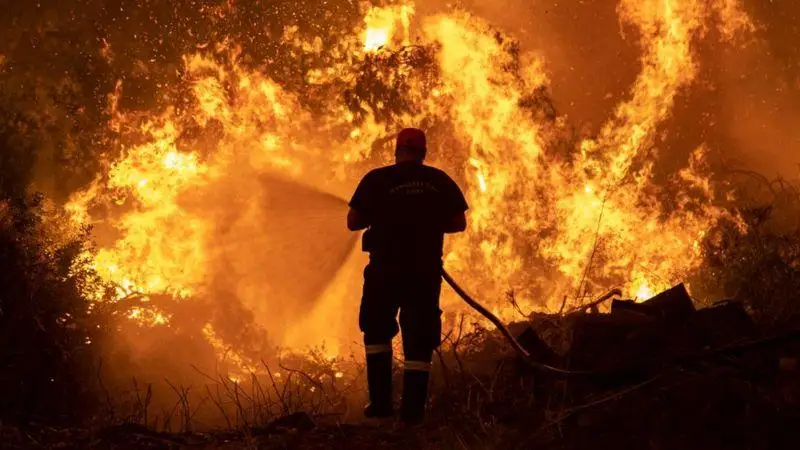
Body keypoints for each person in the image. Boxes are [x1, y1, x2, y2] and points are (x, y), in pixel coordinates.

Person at [347, 128, 468, 424]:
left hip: (384, 270)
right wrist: (426, 223)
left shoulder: (377, 179)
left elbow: (353, 221)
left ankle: (380, 406)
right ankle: (413, 414)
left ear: (397, 150)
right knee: (419, 339)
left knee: (376, 332)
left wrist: (387, 217)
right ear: (423, 153)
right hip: (423, 272)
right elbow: (458, 222)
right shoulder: (438, 181)